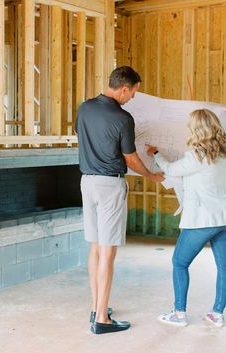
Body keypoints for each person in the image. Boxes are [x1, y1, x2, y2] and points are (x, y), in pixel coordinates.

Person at [75, 66, 164, 335]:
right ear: (123, 88)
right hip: (109, 185)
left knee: (95, 248)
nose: (132, 99)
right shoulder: (123, 118)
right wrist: (150, 174)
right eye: (133, 93)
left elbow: (84, 138)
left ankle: (96, 306)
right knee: (109, 251)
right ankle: (102, 319)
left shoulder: (84, 108)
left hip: (86, 182)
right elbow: (131, 158)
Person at [147, 108, 226, 327]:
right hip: (224, 219)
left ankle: (179, 314)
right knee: (224, 267)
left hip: (202, 220)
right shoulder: (223, 154)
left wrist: (155, 154)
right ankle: (217, 314)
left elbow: (171, 169)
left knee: (179, 262)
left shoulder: (196, 157)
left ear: (196, 130)